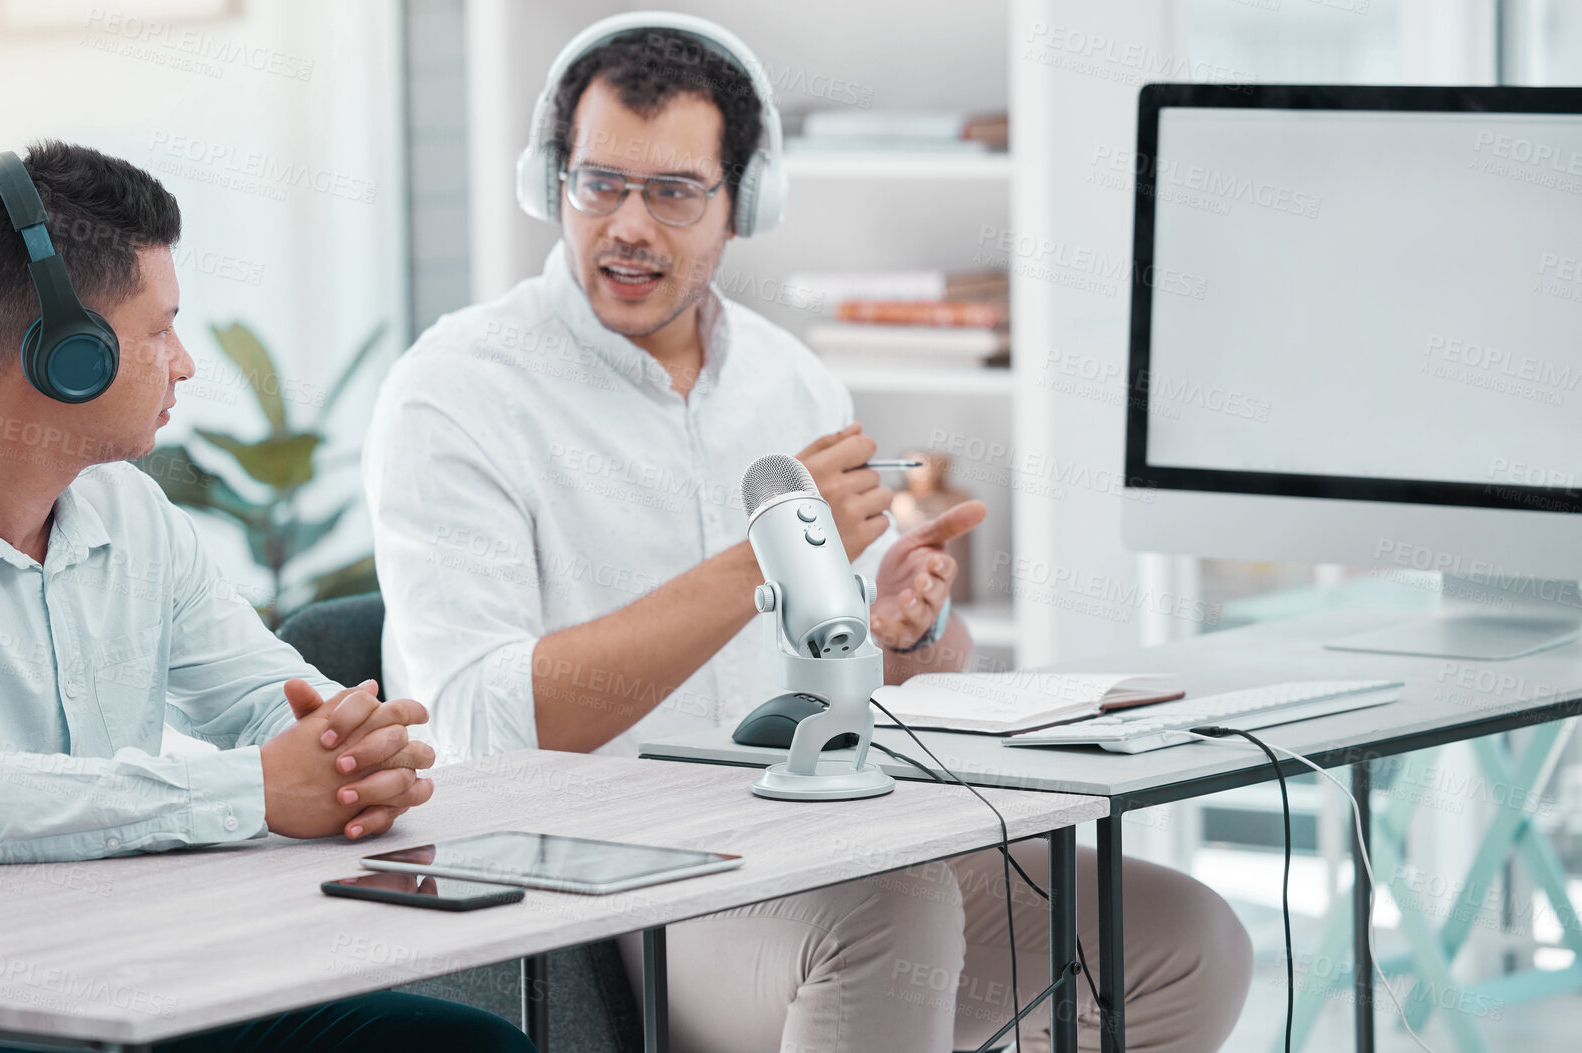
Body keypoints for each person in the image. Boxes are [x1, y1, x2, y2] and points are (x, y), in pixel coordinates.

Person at [364, 15, 1250, 1053]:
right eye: (597, 183)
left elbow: (884, 677)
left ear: (746, 202)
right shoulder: (454, 392)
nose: (628, 227)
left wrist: (910, 628)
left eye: (675, 191)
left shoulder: (788, 377)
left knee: (1187, 937)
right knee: (893, 916)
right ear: (550, 181)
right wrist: (763, 554)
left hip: (811, 831)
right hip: (600, 866)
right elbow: (480, 725)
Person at [0, 141, 532, 1053]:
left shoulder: (131, 516)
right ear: (67, 356)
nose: (185, 365)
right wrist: (257, 786)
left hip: (80, 975)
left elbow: (264, 698)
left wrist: (348, 745)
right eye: (159, 331)